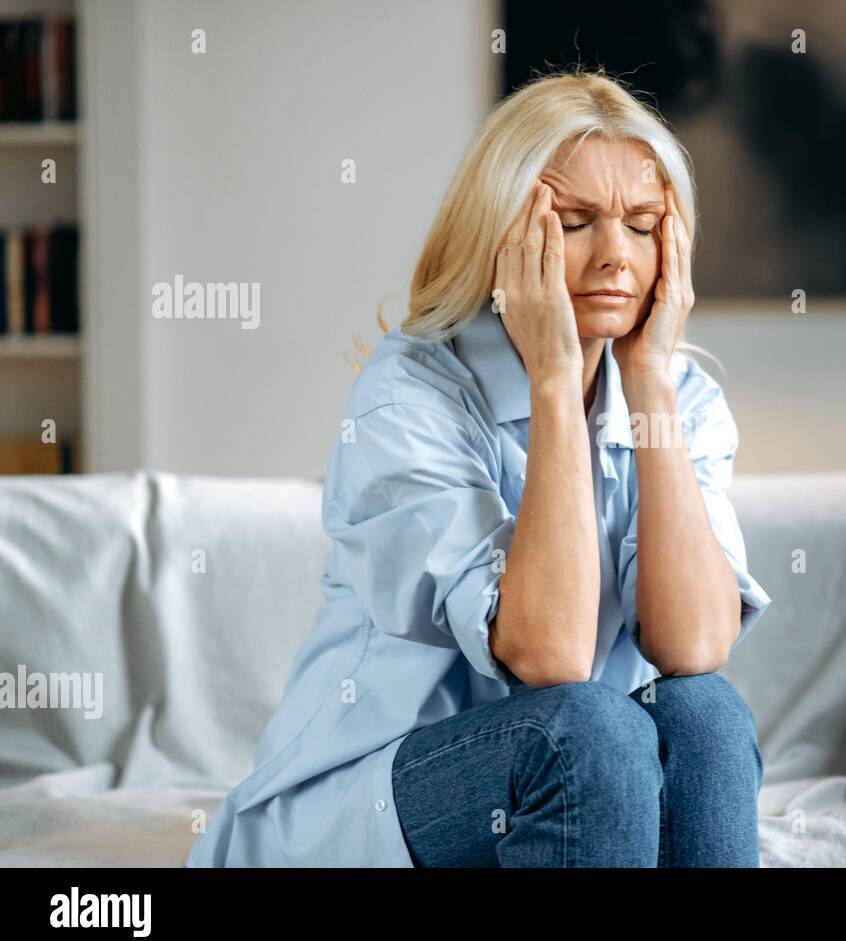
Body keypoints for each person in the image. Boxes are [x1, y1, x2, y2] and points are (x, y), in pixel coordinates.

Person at [185, 67, 771, 868]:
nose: (615, 257)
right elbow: (553, 657)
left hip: (578, 787)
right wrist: (558, 381)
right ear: (504, 234)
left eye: (641, 224)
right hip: (383, 800)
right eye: (573, 222)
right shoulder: (408, 393)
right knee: (587, 729)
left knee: (706, 713)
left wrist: (651, 384)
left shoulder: (678, 395)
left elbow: (696, 643)